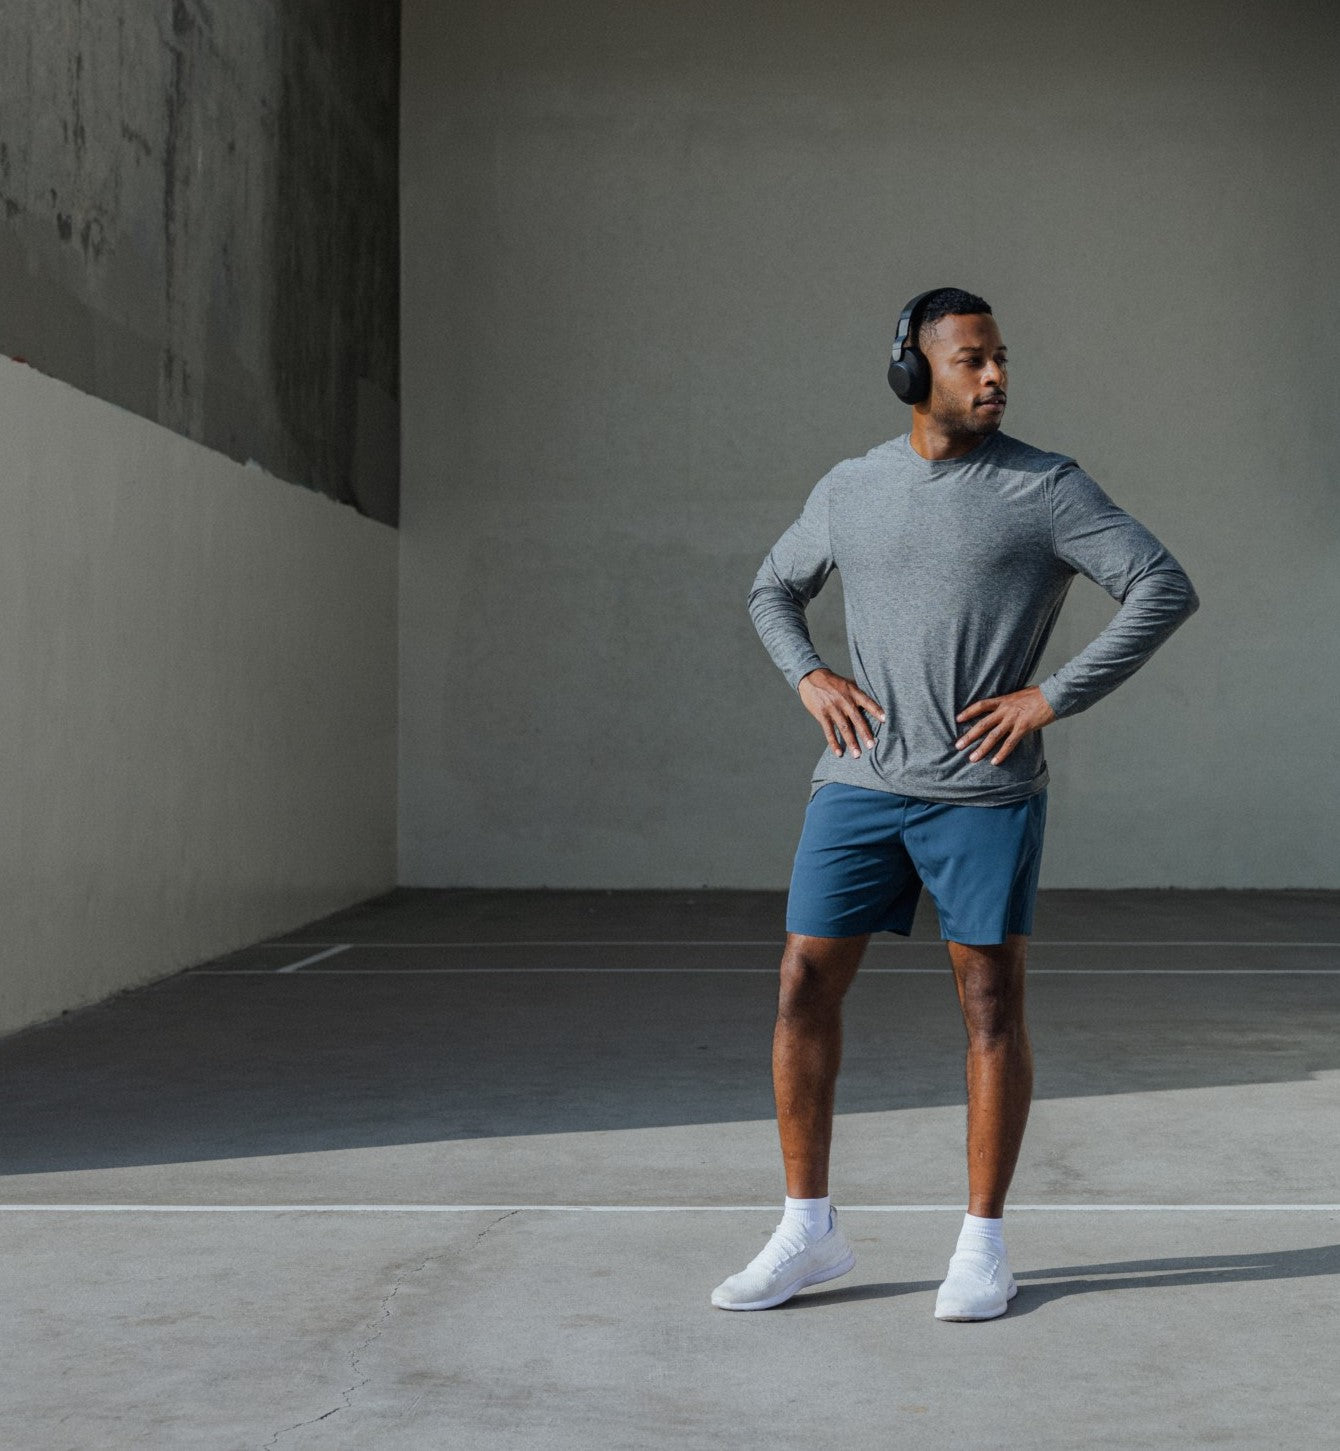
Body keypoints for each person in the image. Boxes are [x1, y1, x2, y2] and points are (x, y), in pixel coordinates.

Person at [712, 286, 1200, 1320]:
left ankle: (981, 1243)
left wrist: (1049, 695)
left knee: (988, 1004)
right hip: (858, 783)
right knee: (801, 982)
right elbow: (770, 586)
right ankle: (807, 1228)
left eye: (999, 358)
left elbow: (1159, 583)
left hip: (982, 790)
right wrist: (809, 674)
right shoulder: (849, 486)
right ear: (912, 369)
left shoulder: (1046, 487)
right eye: (971, 359)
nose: (994, 377)